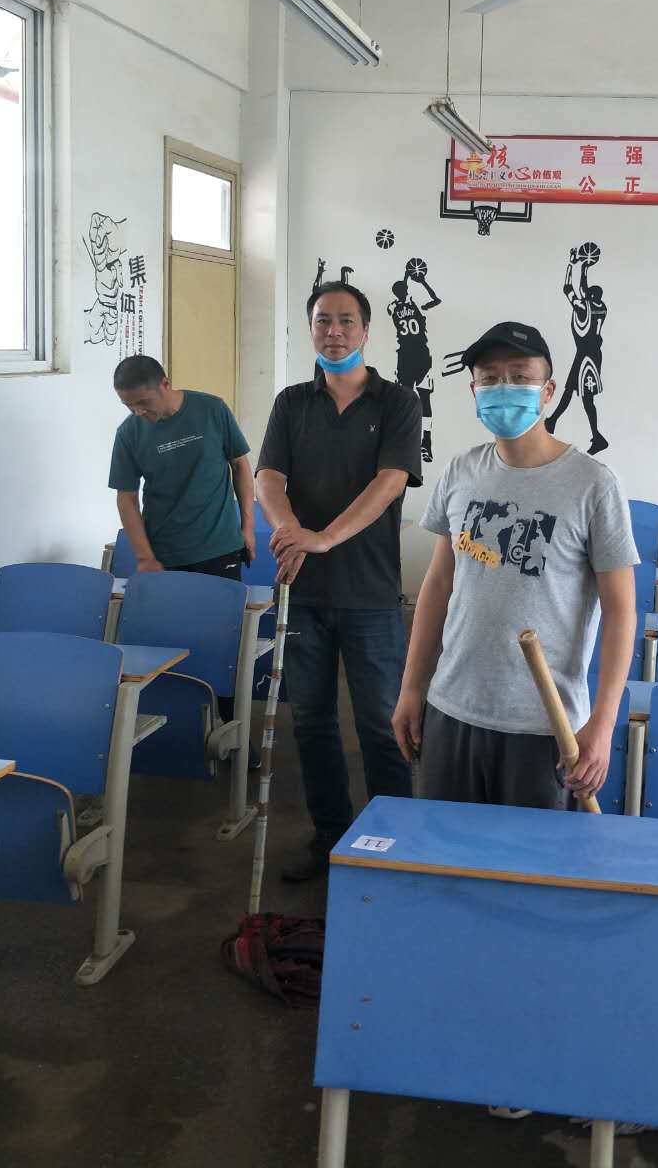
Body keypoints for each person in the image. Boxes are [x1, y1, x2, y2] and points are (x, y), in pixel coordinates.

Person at [392, 319, 638, 813]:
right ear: (473, 390)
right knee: (446, 851)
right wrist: (412, 687)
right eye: (489, 377)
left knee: (532, 859)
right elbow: (438, 585)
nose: (503, 387)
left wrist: (602, 723)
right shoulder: (461, 471)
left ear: (548, 390)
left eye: (520, 376)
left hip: (544, 726)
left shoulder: (592, 484)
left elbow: (621, 612)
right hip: (452, 709)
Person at [257, 279, 422, 881]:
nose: (334, 331)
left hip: (370, 593)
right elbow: (267, 478)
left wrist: (324, 537)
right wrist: (290, 528)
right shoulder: (291, 403)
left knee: (383, 725)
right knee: (311, 723)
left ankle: (395, 844)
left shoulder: (396, 402)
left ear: (366, 330)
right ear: (310, 330)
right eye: (323, 321)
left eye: (346, 321)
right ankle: (330, 837)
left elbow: (390, 483)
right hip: (303, 592)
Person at [109, 355, 255, 579]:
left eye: (143, 402)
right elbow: (126, 498)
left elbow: (240, 465)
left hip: (221, 547)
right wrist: (144, 557)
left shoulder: (212, 409)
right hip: (165, 554)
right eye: (129, 406)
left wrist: (247, 527)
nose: (138, 412)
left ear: (165, 384)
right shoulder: (128, 433)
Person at [545, 245, 609, 456]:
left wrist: (574, 265)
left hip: (586, 356)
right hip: (591, 353)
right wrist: (585, 268)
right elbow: (583, 288)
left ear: (589, 296)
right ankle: (552, 421)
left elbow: (568, 288)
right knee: (569, 390)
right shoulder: (601, 307)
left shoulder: (583, 308)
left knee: (586, 398)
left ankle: (597, 437)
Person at [387, 262, 441, 464]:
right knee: (410, 401)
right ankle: (415, 442)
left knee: (421, 400)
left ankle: (425, 442)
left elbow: (436, 300)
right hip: (413, 357)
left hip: (415, 357)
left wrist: (411, 278)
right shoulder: (408, 304)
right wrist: (420, 281)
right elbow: (434, 300)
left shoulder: (395, 306)